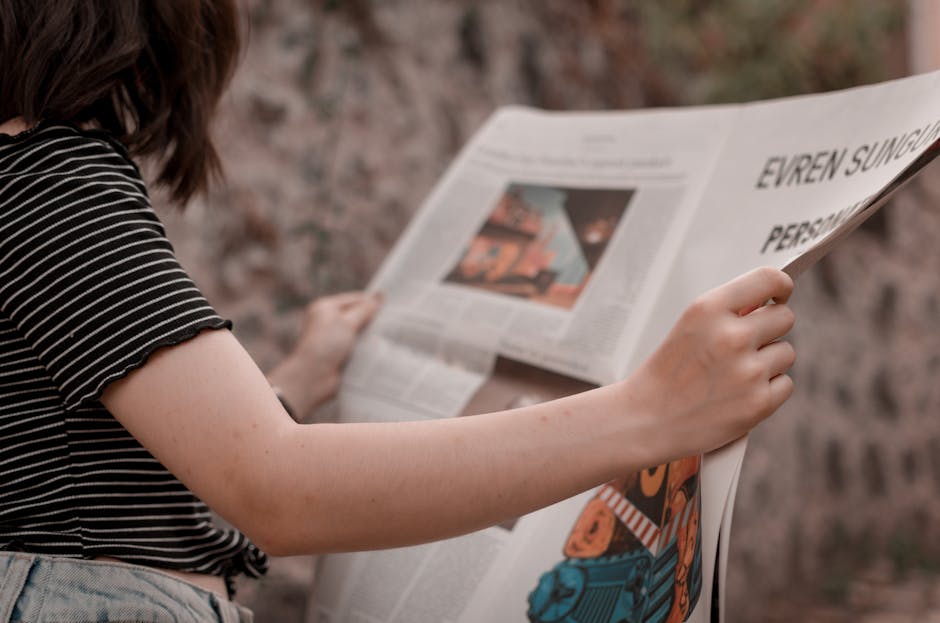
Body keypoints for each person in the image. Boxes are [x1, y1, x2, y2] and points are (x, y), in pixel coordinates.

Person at [0, 1, 796, 620]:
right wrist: (649, 414)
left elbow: (81, 474)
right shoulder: (44, 180)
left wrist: (293, 385)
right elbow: (276, 490)